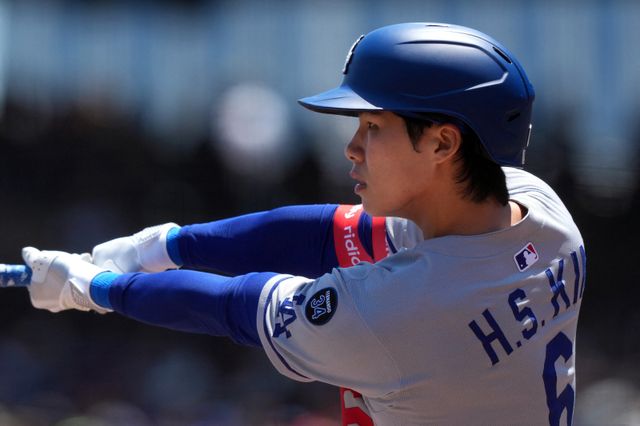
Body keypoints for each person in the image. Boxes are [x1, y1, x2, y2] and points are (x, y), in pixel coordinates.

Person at [21, 23, 585, 425]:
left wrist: (96, 288)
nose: (352, 148)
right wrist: (167, 244)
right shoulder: (540, 211)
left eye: (373, 127)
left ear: (443, 143)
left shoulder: (399, 310)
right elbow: (320, 234)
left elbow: (233, 305)